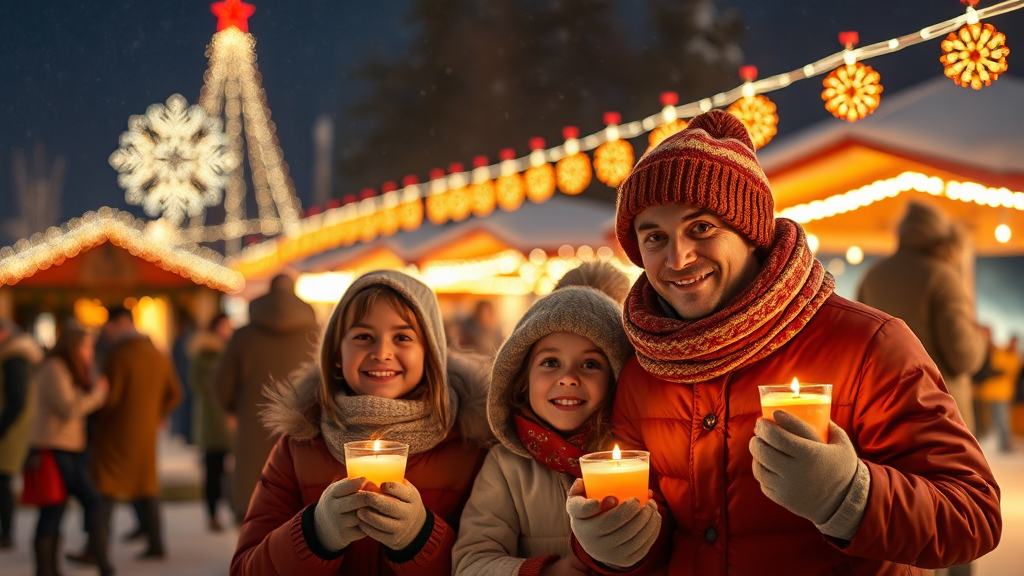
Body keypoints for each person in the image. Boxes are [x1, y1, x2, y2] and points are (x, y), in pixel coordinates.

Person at [565, 110, 1001, 575]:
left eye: (702, 228)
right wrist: (615, 547)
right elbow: (663, 537)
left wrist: (849, 495)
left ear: (750, 234)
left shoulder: (868, 344)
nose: (678, 257)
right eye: (655, 237)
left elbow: (972, 515)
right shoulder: (643, 367)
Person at [231, 270, 492, 575]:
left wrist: (420, 539)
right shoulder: (298, 447)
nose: (382, 353)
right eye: (363, 336)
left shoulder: (472, 450)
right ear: (337, 354)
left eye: (403, 337)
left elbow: (489, 564)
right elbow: (245, 570)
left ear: (430, 354)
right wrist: (315, 534)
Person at [453, 262, 632, 576]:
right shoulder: (506, 467)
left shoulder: (636, 455)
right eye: (551, 361)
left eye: (590, 364)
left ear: (617, 375)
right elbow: (471, 563)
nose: (567, 378)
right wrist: (544, 572)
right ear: (521, 377)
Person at [858, 200, 986, 435]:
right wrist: (979, 338)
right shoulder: (943, 277)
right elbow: (963, 357)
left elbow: (858, 345)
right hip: (941, 416)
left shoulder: (872, 277)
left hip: (886, 414)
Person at [215, 274, 319, 525]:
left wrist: (233, 409)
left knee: (253, 499)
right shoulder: (317, 334)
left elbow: (222, 385)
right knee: (298, 497)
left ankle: (250, 560)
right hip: (305, 427)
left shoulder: (243, 336)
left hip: (254, 425)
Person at [89, 306, 182, 560]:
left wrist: (94, 419)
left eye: (108, 325)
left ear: (121, 322)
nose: (105, 331)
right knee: (146, 486)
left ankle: (97, 548)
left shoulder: (118, 356)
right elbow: (175, 393)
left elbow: (111, 398)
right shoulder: (157, 353)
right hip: (145, 434)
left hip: (115, 433)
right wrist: (156, 415)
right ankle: (156, 543)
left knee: (104, 487)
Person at [28, 321, 112, 576]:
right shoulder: (55, 368)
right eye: (86, 346)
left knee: (56, 508)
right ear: (73, 345)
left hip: (70, 447)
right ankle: (103, 565)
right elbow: (69, 407)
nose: (89, 352)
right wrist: (98, 394)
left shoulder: (73, 368)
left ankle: (50, 570)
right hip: (54, 446)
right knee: (81, 501)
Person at [0, 319, 44, 550]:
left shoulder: (13, 358)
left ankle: (6, 534)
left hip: (10, 432)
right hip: (15, 429)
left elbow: (16, 400)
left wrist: (2, 427)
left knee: (3, 483)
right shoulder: (17, 355)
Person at [189, 313, 234, 532]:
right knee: (213, 469)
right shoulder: (207, 355)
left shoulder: (226, 353)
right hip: (213, 421)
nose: (228, 330)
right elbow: (203, 385)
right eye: (225, 325)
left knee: (224, 469)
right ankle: (213, 514)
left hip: (226, 420)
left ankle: (226, 511)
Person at [977, 335, 1020, 453]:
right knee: (995, 419)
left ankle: (1004, 443)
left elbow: (1009, 372)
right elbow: (995, 368)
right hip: (992, 392)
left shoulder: (1014, 357)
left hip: (1002, 393)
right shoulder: (1000, 353)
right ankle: (1002, 443)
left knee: (1001, 418)